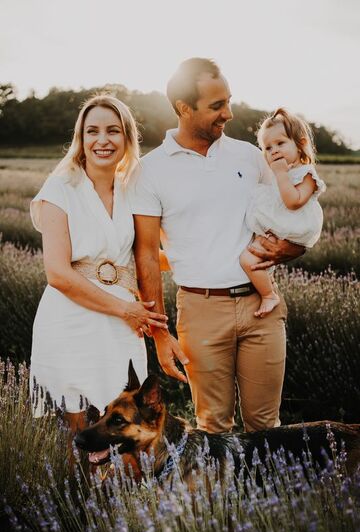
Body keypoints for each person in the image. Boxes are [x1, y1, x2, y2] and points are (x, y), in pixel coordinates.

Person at [130, 58, 304, 434]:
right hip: (200, 309)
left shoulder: (250, 156)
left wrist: (295, 249)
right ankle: (219, 496)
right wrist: (160, 334)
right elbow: (144, 253)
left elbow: (290, 210)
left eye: (228, 100)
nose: (230, 112)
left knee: (266, 427)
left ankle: (267, 494)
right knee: (212, 429)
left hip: (262, 308)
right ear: (183, 108)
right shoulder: (150, 170)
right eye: (217, 106)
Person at [30, 95, 168, 433]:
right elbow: (58, 274)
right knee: (77, 428)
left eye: (113, 131)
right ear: (81, 138)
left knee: (122, 421)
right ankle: (78, 488)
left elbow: (147, 254)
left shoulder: (133, 189)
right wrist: (125, 311)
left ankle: (116, 488)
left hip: (121, 322)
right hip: (71, 317)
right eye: (92, 131)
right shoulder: (60, 188)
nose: (102, 140)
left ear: (127, 138)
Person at [240, 108, 326, 318]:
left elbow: (293, 202)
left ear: (301, 144)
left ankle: (269, 295)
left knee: (247, 260)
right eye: (268, 147)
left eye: (280, 143)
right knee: (251, 258)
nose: (274, 151)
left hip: (294, 225)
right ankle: (267, 288)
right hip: (279, 224)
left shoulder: (306, 174)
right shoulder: (278, 172)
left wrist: (280, 174)